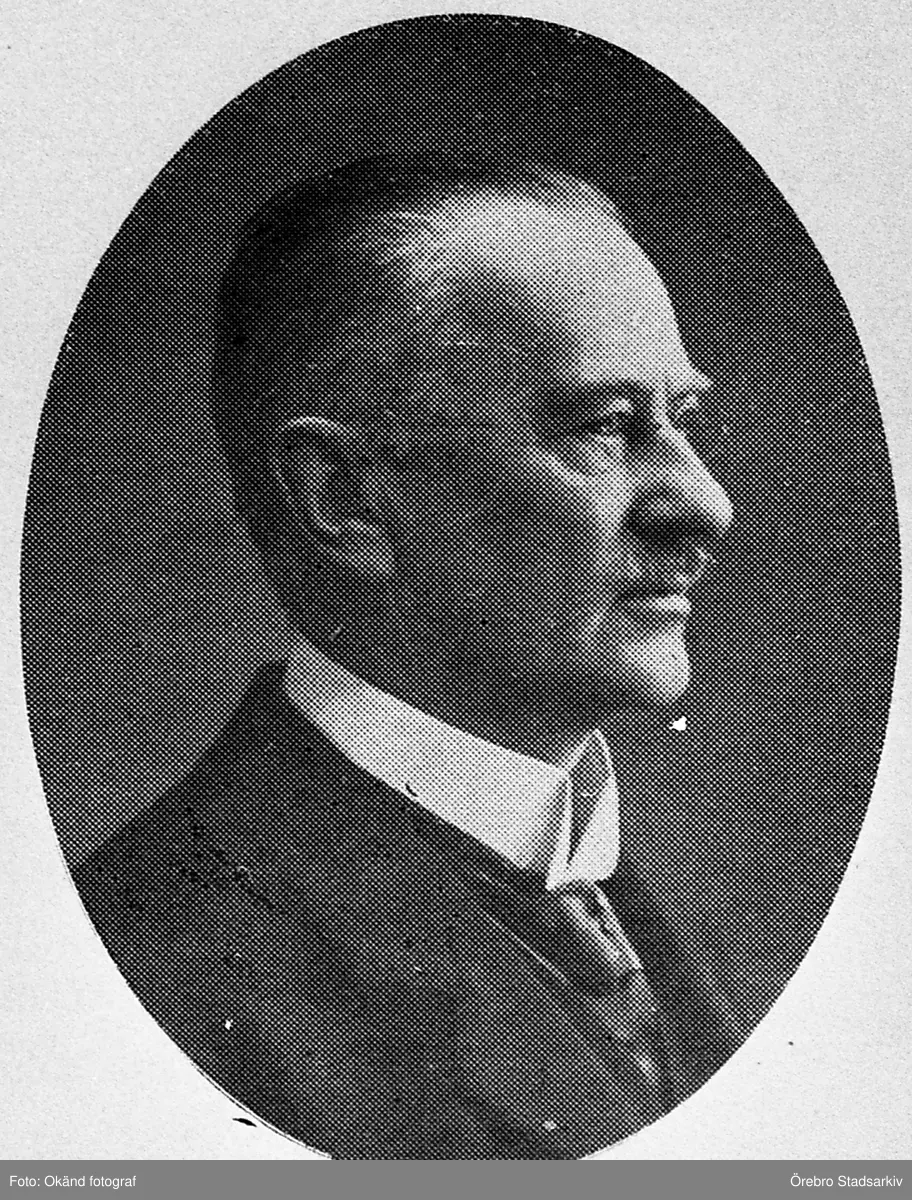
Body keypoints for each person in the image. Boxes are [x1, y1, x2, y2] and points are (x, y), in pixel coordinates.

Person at [74, 152, 743, 1159]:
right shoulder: (156, 967)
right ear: (344, 498)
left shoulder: (643, 915)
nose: (704, 502)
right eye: (606, 427)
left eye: (681, 420)